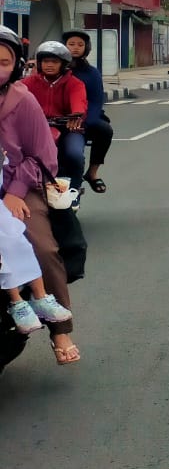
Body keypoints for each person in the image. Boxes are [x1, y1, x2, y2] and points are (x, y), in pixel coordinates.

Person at [0, 27, 78, 364]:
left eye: (3, 61)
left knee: (43, 249)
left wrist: (16, 192)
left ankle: (60, 329)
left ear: (16, 65)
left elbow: (43, 157)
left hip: (18, 187)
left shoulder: (24, 101)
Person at [22, 41, 89, 197]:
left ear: (63, 64)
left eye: (54, 61)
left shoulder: (74, 83)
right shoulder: (27, 83)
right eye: (46, 61)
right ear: (39, 63)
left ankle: (74, 191)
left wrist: (76, 114)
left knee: (74, 154)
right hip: (36, 129)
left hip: (68, 127)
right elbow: (15, 98)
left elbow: (79, 101)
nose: (49, 65)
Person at [63, 30, 111, 194]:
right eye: (71, 44)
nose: (75, 48)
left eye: (80, 45)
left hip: (82, 119)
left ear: (86, 48)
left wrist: (83, 122)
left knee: (104, 130)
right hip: (52, 120)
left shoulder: (92, 73)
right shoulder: (52, 69)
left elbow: (96, 101)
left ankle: (92, 172)